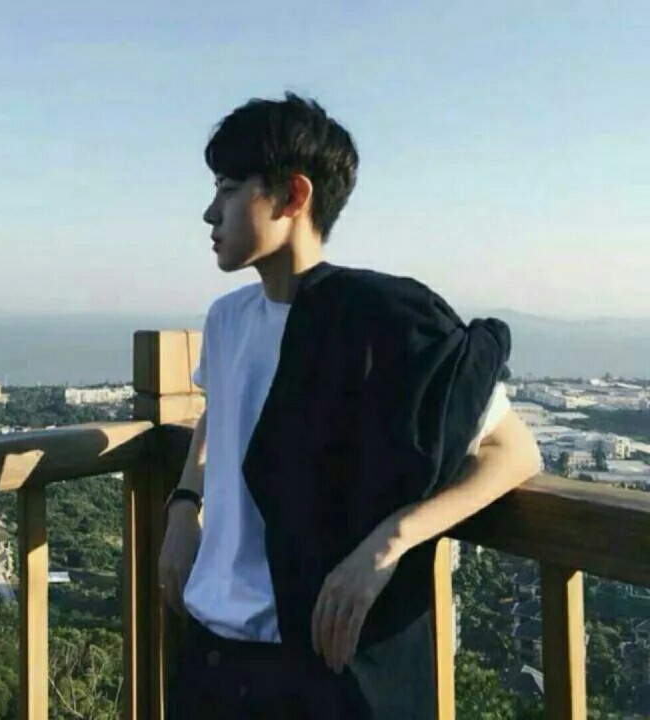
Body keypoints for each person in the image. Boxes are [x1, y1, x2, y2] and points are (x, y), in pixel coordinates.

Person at [158, 93, 542, 719]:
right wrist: (184, 503)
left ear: (293, 195)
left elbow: (516, 454)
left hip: (312, 662)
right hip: (211, 652)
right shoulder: (227, 318)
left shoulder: (381, 319)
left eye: (228, 189)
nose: (210, 212)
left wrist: (387, 545)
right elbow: (221, 413)